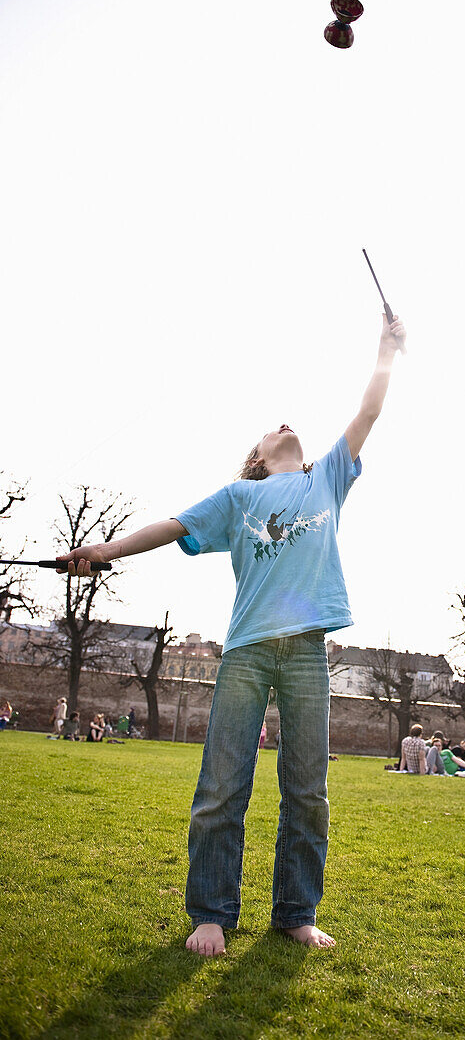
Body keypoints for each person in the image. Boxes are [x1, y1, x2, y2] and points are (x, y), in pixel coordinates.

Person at [55, 310, 407, 956]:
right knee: (223, 785)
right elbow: (166, 527)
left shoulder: (325, 476)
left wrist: (386, 349)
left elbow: (369, 412)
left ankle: (296, 912)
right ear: (257, 458)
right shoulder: (238, 499)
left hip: (306, 654)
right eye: (271, 429)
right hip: (245, 655)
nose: (284, 423)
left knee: (308, 790)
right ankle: (212, 912)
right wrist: (103, 550)